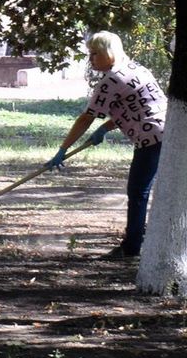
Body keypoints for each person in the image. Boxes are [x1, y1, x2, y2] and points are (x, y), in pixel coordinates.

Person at [45, 30, 167, 259]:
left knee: (138, 192)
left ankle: (131, 248)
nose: (90, 60)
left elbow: (86, 117)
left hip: (153, 138)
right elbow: (137, 107)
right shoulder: (135, 68)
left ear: (109, 53)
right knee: (144, 191)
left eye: (94, 54)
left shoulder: (110, 80)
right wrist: (105, 128)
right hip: (169, 131)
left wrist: (63, 150)